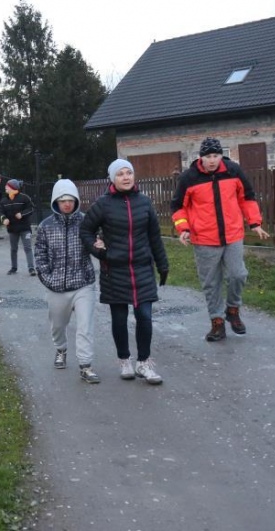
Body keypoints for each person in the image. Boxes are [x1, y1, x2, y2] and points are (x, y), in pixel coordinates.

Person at [170, 137, 271, 342]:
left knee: (238, 275)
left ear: (221, 155)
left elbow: (247, 197)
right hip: (204, 238)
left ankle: (232, 310)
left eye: (216, 155)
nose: (212, 160)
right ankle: (217, 322)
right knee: (211, 283)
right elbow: (178, 206)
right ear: (201, 157)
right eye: (208, 156)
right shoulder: (189, 177)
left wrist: (254, 222)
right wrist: (184, 228)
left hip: (233, 234)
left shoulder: (233, 171)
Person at [80, 159, 169, 385]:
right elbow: (86, 230)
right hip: (115, 270)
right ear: (113, 179)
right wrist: (98, 251)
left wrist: (163, 264)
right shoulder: (103, 204)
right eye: (120, 174)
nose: (126, 177)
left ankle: (144, 362)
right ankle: (124, 360)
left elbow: (154, 237)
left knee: (144, 316)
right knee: (119, 319)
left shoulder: (145, 203)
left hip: (142, 269)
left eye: (129, 172)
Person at [34, 179, 100, 383]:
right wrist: (48, 279)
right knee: (58, 325)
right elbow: (40, 256)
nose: (67, 204)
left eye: (70, 200)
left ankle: (85, 366)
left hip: (83, 284)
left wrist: (100, 244)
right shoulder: (45, 226)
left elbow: (97, 243)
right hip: (56, 287)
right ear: (56, 201)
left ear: (76, 201)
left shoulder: (86, 222)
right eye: (63, 200)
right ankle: (61, 349)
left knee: (85, 326)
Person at [0, 179, 36, 276]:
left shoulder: (24, 197)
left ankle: (31, 268)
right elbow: (0, 211)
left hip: (25, 228)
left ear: (13, 187)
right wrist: (3, 219)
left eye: (7, 186)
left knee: (28, 248)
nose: (5, 187)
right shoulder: (4, 200)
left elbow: (31, 208)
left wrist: (22, 214)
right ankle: (13, 268)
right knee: (13, 249)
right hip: (12, 229)